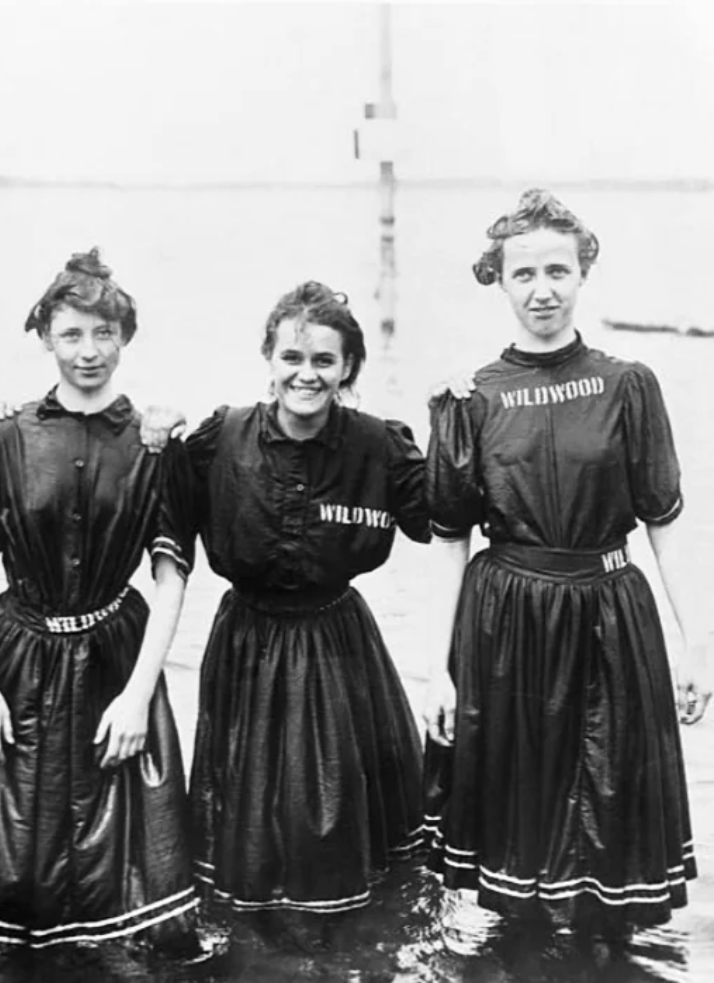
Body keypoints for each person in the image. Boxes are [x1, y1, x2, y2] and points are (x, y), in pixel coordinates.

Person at [422, 189, 710, 937]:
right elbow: (451, 537)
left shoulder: (628, 385)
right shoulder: (472, 395)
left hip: (610, 611)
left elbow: (666, 523)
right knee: (517, 853)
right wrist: (436, 667)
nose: (542, 289)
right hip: (507, 617)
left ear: (583, 273)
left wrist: (699, 646)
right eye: (524, 274)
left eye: (558, 270)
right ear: (500, 279)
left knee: (610, 821)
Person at [0, 249, 199, 961]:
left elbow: (171, 578)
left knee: (129, 905)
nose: (89, 351)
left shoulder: (154, 442)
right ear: (45, 336)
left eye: (104, 334)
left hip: (114, 655)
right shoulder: (6, 434)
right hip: (17, 658)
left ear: (125, 338)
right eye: (71, 334)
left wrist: (137, 697)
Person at [186, 281, 430, 926]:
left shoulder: (379, 445)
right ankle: (254, 928)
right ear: (268, 359)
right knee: (250, 798)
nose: (307, 374)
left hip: (337, 640)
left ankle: (342, 926)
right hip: (247, 637)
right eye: (292, 358)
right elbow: (142, 505)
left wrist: (465, 415)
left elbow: (448, 513)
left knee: (334, 798)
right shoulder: (222, 438)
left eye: (324, 361)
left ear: (348, 368)